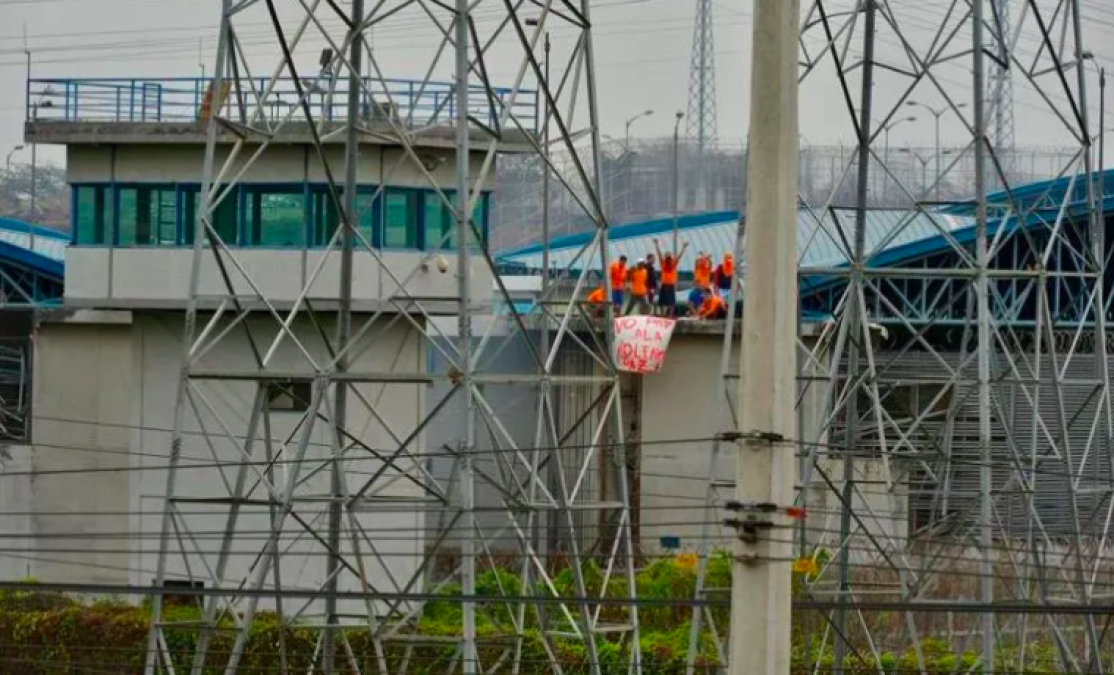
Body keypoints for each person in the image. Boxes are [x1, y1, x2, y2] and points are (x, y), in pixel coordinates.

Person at [654, 238, 689, 317]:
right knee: (661, 301)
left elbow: (679, 256)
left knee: (672, 302)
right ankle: (663, 314)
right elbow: (659, 254)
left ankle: (669, 315)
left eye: (669, 257)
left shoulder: (673, 264)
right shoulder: (663, 263)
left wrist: (683, 247)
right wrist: (656, 245)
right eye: (667, 257)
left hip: (670, 285)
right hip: (664, 284)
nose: (668, 259)